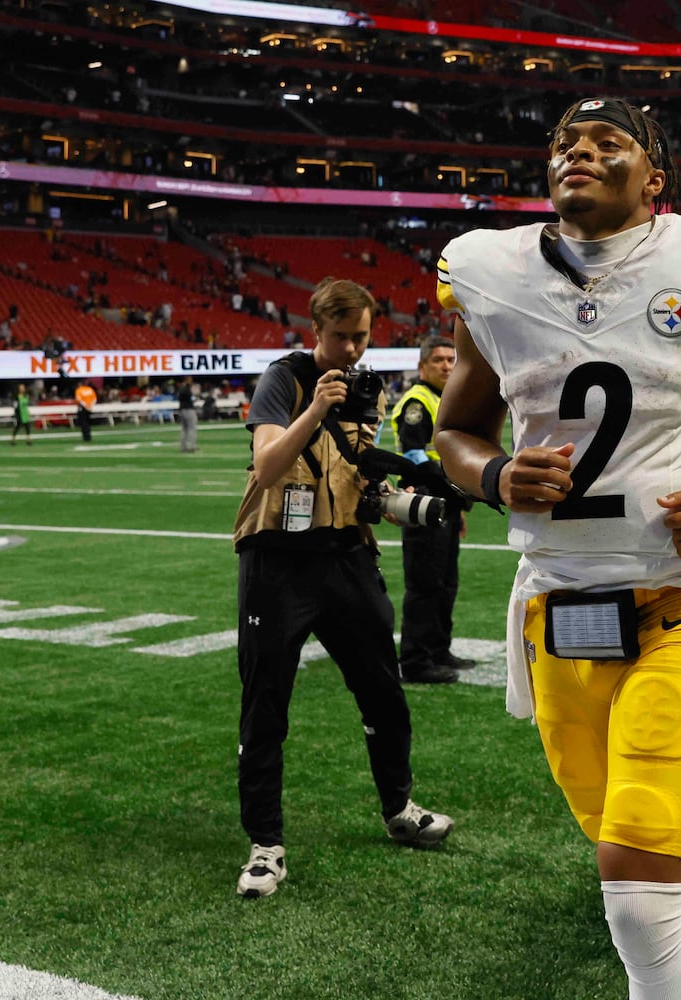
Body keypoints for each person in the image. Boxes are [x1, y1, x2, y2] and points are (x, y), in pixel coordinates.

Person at [432, 97, 681, 1000]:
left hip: (680, 597)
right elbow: (454, 434)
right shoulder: (487, 273)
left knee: (635, 882)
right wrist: (495, 474)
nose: (579, 152)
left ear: (654, 180)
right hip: (556, 607)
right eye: (566, 142)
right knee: (640, 859)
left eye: (608, 143)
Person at [230, 278, 452, 899]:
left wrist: (397, 495)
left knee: (384, 693)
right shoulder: (284, 379)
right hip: (277, 558)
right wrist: (315, 408)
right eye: (340, 336)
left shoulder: (368, 387)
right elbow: (267, 466)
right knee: (266, 704)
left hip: (345, 553)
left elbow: (352, 473)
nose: (352, 348)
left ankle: (399, 808)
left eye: (361, 336)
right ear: (316, 331)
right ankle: (266, 846)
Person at [393, 334, 470, 684]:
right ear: (422, 365)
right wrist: (452, 483)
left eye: (451, 360)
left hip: (444, 505)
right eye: (438, 360)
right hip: (423, 503)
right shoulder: (417, 401)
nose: (446, 366)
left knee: (445, 583)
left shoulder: (443, 399)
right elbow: (414, 456)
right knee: (424, 585)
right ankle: (415, 660)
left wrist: (457, 506)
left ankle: (438, 650)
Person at [178, 375, 199, 452]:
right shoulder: (187, 389)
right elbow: (191, 398)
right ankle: (192, 446)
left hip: (182, 410)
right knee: (191, 428)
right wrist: (196, 397)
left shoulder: (181, 389)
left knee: (184, 429)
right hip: (189, 409)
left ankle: (183, 447)